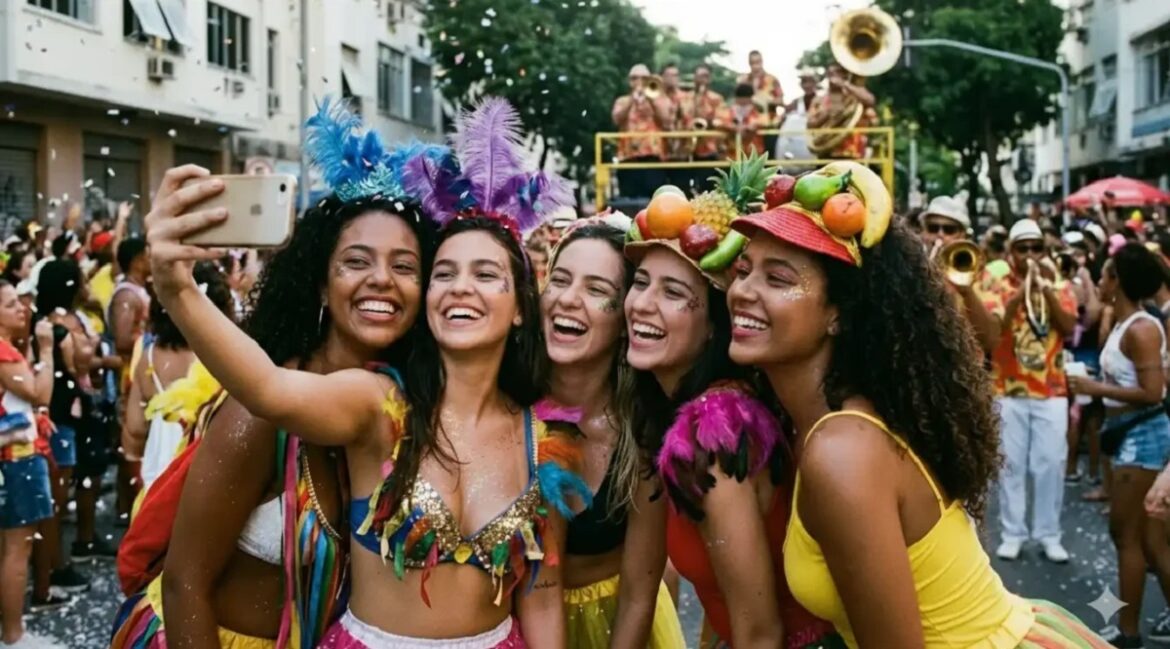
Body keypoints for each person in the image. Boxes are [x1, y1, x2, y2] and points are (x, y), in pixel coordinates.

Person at [144, 98, 585, 648]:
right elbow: (268, 390)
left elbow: (542, 591)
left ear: (521, 304)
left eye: (487, 273)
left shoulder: (545, 442)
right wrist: (176, 287)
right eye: (444, 272)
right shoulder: (379, 405)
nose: (462, 287)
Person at [726, 163, 1108, 648]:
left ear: (838, 315)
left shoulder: (842, 451)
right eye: (742, 271)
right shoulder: (828, 418)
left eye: (778, 279)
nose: (742, 291)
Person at [110, 104, 442, 649]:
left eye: (404, 266)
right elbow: (185, 583)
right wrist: (176, 284)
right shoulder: (258, 413)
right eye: (356, 262)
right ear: (320, 284)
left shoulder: (404, 405)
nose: (382, 280)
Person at [624, 168, 835, 648]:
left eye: (674, 293)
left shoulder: (714, 432)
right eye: (640, 283)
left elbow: (759, 634)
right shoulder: (669, 408)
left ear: (715, 327)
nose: (642, 304)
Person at [545, 216, 685, 648]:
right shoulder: (506, 401)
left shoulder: (643, 427)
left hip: (619, 627)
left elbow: (640, 595)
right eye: (560, 280)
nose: (568, 299)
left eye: (596, 289)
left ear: (625, 314)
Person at [1067, 244, 1170, 648]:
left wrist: (1095, 387)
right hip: (1127, 436)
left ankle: (1127, 633)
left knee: (1127, 536)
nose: (1102, 281)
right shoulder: (1128, 324)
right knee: (1148, 539)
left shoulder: (1143, 328)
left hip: (1141, 438)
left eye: (1107, 275)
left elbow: (1152, 392)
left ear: (1119, 281)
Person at [979, 220, 1078, 563]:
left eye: (1037, 247)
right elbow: (992, 332)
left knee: (1050, 463)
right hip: (1007, 386)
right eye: (1024, 248)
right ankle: (1013, 533)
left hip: (1051, 389)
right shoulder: (995, 282)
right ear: (1011, 252)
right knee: (1011, 465)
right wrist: (1017, 297)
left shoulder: (1060, 282)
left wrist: (1046, 290)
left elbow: (1067, 327)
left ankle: (1049, 534)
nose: (1031, 255)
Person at [122, 263, 235, 489]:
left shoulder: (150, 357)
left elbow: (134, 428)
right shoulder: (229, 356)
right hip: (214, 475)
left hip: (161, 475)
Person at [0, 281, 56, 646]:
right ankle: (14, 635)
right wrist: (48, 352)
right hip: (16, 460)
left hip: (11, 458)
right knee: (17, 548)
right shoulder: (4, 353)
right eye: (9, 306)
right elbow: (39, 393)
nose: (21, 308)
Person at [918, 195, 1002, 352]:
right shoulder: (911, 270)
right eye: (933, 228)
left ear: (963, 235)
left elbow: (990, 340)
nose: (940, 235)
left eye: (949, 229)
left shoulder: (984, 276)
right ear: (923, 233)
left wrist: (966, 291)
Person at [611, 64, 672, 200]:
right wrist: (632, 99)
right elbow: (617, 120)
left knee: (655, 201)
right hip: (628, 158)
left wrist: (651, 99)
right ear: (629, 82)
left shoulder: (660, 99)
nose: (639, 82)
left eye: (644, 78)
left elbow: (666, 121)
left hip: (653, 158)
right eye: (634, 78)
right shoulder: (622, 101)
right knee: (628, 201)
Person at [807, 63, 875, 160]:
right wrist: (826, 114)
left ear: (844, 75)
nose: (834, 76)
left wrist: (845, 84)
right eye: (831, 73)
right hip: (826, 152)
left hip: (854, 153)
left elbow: (870, 100)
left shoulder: (854, 97)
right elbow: (810, 124)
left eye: (838, 73)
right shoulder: (818, 100)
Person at [737, 50, 783, 154]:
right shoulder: (743, 80)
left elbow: (781, 101)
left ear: (762, 62)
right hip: (749, 127)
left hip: (769, 126)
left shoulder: (772, 79)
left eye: (757, 62)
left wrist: (768, 101)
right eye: (752, 63)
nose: (755, 66)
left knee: (770, 157)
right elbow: (738, 101)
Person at [775, 68, 819, 168]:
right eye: (804, 82)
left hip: (814, 144)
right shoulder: (795, 102)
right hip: (795, 147)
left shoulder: (822, 101)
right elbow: (782, 118)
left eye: (810, 82)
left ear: (814, 83)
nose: (807, 85)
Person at [715, 84, 767, 158]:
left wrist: (748, 127)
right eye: (741, 98)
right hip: (730, 155)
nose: (743, 101)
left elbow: (764, 122)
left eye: (746, 98)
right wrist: (733, 127)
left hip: (752, 155)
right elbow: (718, 122)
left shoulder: (757, 112)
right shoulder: (726, 112)